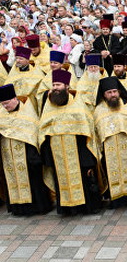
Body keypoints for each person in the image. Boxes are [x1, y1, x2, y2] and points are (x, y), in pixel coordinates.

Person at [39, 70, 103, 215]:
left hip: (78, 154)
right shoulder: (49, 105)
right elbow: (43, 133)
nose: (55, 87)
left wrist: (88, 161)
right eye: (54, 84)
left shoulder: (78, 106)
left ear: (67, 86)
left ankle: (85, 208)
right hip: (57, 156)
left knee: (83, 181)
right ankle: (67, 209)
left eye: (59, 84)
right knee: (61, 181)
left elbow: (87, 134)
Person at [0, 84, 52, 216]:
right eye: (2, 104)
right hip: (8, 155)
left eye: (6, 104)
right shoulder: (2, 113)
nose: (5, 107)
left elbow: (33, 133)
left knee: (32, 180)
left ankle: (37, 207)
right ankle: (18, 208)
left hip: (26, 154)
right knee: (13, 179)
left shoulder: (27, 113)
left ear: (14, 99)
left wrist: (32, 156)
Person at [94, 76, 127, 210]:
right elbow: (96, 133)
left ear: (119, 91)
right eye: (109, 93)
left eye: (115, 91)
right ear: (104, 94)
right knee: (111, 170)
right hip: (108, 148)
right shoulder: (98, 110)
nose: (113, 95)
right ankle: (115, 199)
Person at [5, 46, 45, 113]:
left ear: (27, 60)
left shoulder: (36, 72)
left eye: (21, 59)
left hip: (31, 103)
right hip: (16, 104)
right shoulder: (13, 72)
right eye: (17, 58)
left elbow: (40, 90)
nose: (17, 60)